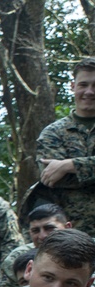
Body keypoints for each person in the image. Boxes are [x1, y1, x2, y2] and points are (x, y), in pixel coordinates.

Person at [35, 57, 95, 236]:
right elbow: (53, 178)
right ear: (73, 86)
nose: (89, 92)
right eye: (83, 85)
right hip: (71, 235)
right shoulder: (53, 133)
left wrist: (68, 166)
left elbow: (64, 173)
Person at [0, 204, 72, 287]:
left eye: (49, 228)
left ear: (67, 227)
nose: (42, 236)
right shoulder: (18, 256)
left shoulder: (87, 251)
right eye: (35, 231)